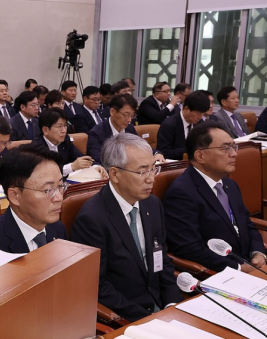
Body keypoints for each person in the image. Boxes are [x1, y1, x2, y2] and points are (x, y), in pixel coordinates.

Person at [71, 133, 183, 322]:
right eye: (142, 171)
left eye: (153, 169)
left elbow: (161, 257)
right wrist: (147, 318)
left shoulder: (152, 205)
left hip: (162, 307)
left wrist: (172, 304)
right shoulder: (92, 219)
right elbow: (98, 286)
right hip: (128, 316)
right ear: (115, 174)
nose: (151, 179)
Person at [163, 122, 266, 272]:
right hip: (220, 274)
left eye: (233, 146)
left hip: (250, 264)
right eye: (225, 148)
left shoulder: (229, 184)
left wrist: (258, 252)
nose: (234, 153)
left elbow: (247, 224)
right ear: (200, 156)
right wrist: (238, 268)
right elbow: (189, 248)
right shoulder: (182, 193)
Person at [0, 143, 67, 255]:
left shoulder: (57, 228)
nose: (59, 198)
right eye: (48, 190)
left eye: (60, 186)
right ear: (14, 196)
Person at [87, 94, 165, 164]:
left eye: (132, 115)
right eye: (126, 115)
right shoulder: (97, 133)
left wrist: (156, 153)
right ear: (112, 111)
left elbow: (141, 146)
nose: (129, 120)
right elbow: (98, 159)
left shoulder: (129, 129)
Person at [35, 108, 107, 179]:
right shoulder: (36, 147)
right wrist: (71, 167)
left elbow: (81, 156)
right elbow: (44, 173)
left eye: (65, 126)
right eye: (59, 126)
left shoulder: (65, 140)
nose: (64, 130)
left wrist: (96, 166)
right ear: (45, 130)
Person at [157, 90, 209, 160]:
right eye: (198, 114)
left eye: (203, 114)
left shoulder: (200, 124)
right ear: (186, 108)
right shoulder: (169, 124)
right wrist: (189, 149)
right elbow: (164, 152)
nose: (200, 117)